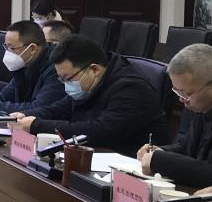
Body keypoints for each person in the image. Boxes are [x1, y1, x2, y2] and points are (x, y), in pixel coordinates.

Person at [15, 35, 169, 152]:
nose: (66, 85)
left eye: (68, 78)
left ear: (94, 69)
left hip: (132, 165)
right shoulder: (90, 83)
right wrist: (25, 116)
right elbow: (60, 108)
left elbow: (100, 132)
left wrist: (37, 125)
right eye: (61, 79)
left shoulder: (132, 89)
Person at [138, 44, 212, 186]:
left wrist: (160, 161)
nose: (181, 100)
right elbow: (188, 148)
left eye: (187, 93)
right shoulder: (201, 106)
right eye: (178, 91)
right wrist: (161, 151)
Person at [0, 20, 63, 116]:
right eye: (6, 47)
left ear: (32, 48)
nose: (8, 52)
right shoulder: (25, 63)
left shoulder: (57, 68)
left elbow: (38, 108)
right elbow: (6, 94)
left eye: (11, 48)